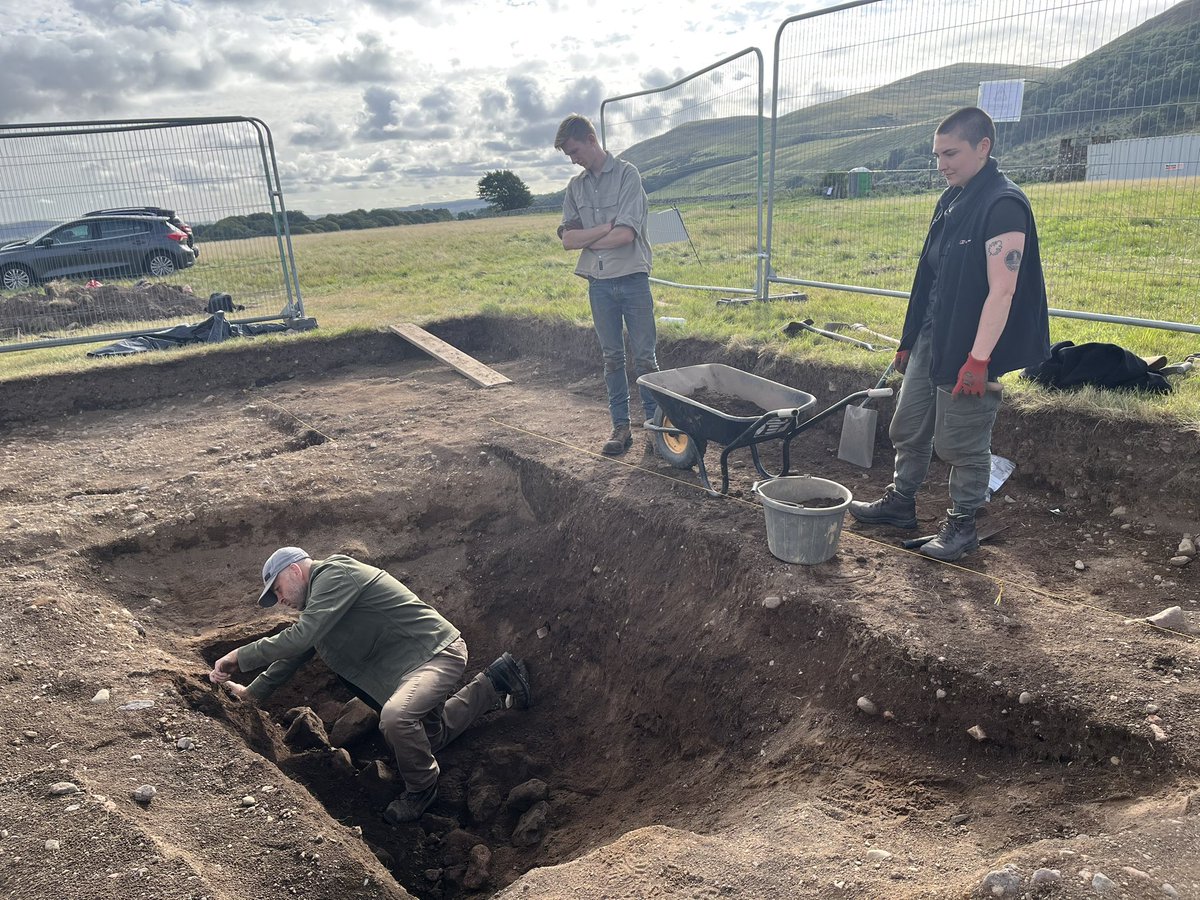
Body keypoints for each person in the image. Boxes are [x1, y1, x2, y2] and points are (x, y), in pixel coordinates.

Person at [849, 107, 1050, 562]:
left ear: (984, 147)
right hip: (932, 335)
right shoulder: (952, 198)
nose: (942, 164)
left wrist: (979, 360)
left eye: (951, 153)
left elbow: (1004, 289)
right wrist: (908, 337)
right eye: (937, 155)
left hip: (971, 345)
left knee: (962, 438)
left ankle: (961, 527)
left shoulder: (1003, 204)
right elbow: (929, 277)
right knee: (909, 424)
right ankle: (902, 502)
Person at [208, 547, 531, 824]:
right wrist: (252, 693)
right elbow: (293, 656)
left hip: (435, 654)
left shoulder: (334, 575)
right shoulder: (321, 605)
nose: (280, 601)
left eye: (278, 590)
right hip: (410, 672)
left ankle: (422, 789)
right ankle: (495, 681)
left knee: (395, 718)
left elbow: (300, 637)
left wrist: (239, 656)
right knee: (426, 738)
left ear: (294, 571)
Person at [555, 113, 659, 455]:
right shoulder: (576, 187)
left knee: (645, 358)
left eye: (574, 151)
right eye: (568, 155)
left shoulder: (628, 176)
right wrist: (601, 230)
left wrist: (586, 238)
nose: (573, 159)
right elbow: (568, 240)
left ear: (591, 139)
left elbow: (626, 235)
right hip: (598, 284)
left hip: (632, 280)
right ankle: (621, 428)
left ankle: (658, 428)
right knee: (612, 358)